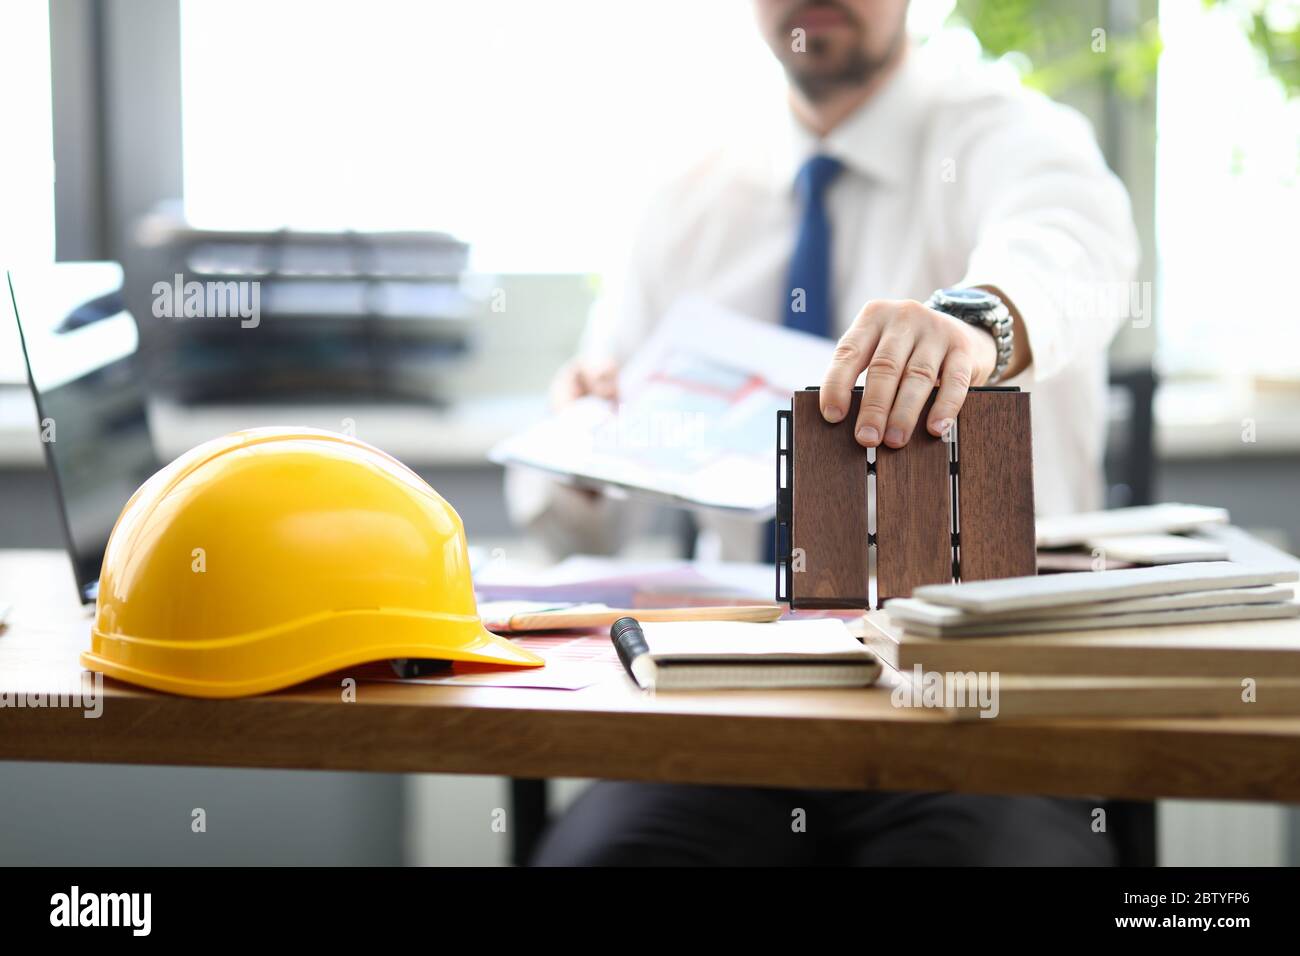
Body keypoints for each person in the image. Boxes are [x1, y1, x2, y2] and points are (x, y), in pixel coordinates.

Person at [527, 0, 1138, 865]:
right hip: (730, 724)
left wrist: (976, 324)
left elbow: (1075, 251)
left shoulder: (1016, 134)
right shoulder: (685, 194)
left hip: (981, 721)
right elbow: (577, 523)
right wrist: (585, 451)